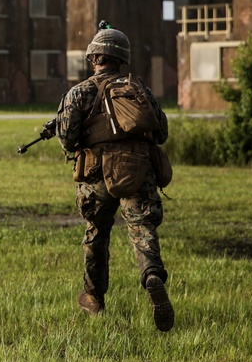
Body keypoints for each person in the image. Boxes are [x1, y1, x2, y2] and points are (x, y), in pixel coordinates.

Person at [55, 23, 174, 332]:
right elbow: (161, 132)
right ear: (123, 59)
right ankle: (151, 275)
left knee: (96, 232)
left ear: (94, 58)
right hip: (138, 172)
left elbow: (67, 140)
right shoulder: (140, 90)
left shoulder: (79, 92)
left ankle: (94, 297)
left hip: (96, 177)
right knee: (142, 228)